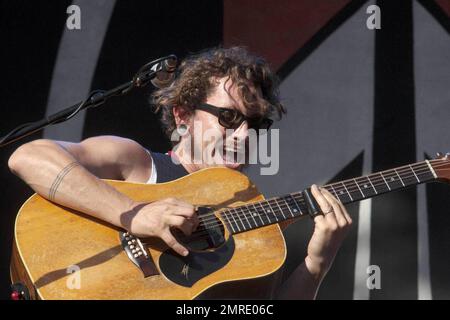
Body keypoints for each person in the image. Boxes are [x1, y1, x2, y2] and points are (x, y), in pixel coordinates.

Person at [8, 47, 352, 299]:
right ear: (183, 115)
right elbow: (29, 156)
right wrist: (134, 214)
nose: (244, 135)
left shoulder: (253, 217)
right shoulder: (137, 164)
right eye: (229, 118)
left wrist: (315, 264)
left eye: (256, 124)